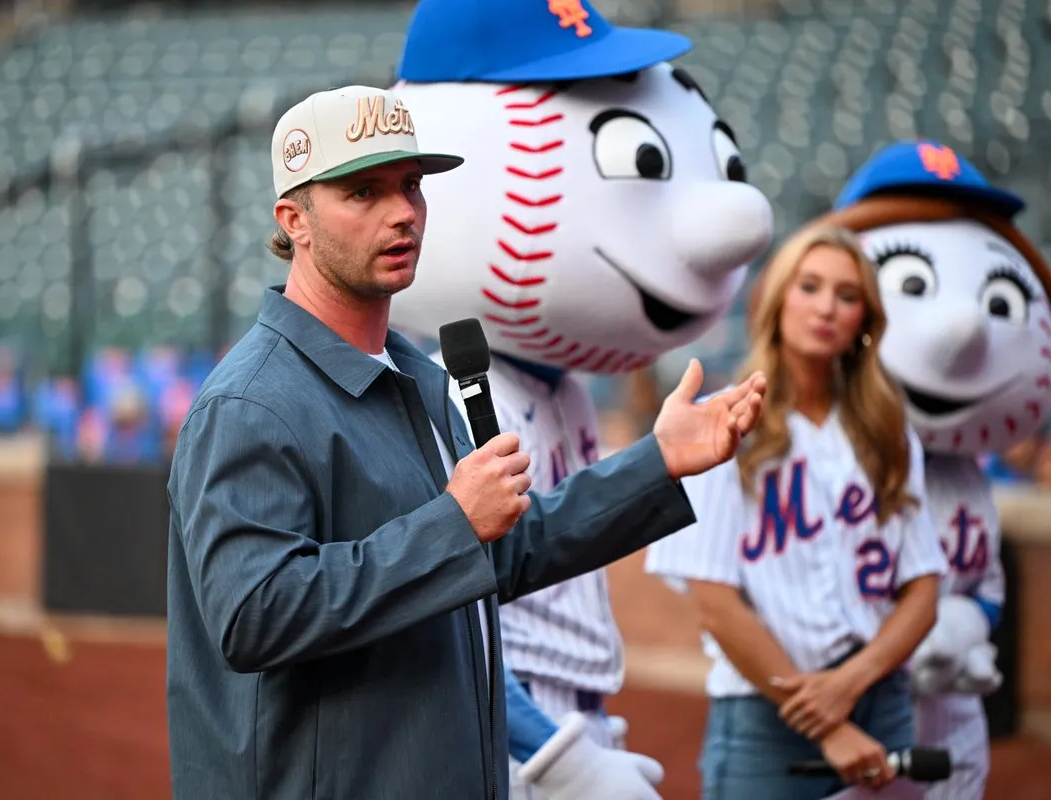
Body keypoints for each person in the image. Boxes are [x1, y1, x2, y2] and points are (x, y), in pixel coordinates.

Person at [164, 84, 767, 800]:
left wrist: (656, 461)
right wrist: (453, 524)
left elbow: (493, 550)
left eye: (411, 186)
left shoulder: (415, 374)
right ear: (293, 219)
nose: (402, 213)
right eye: (363, 193)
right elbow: (254, 614)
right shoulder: (253, 401)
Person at [388, 0, 775, 795]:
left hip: (558, 708)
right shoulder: (456, 393)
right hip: (499, 719)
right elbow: (452, 617)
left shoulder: (561, 396)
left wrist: (590, 729)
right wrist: (562, 758)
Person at [643, 224, 947, 800]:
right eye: (809, 286)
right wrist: (827, 721)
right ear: (778, 297)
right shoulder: (723, 418)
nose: (827, 307)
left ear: (865, 319)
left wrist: (853, 682)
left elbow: (925, 586)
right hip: (765, 718)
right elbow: (714, 602)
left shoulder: (888, 427)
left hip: (881, 701)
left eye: (847, 294)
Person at [813, 139, 1051, 800]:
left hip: (954, 732)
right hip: (849, 729)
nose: (963, 327)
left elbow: (991, 585)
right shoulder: (813, 457)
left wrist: (964, 625)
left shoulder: (967, 473)